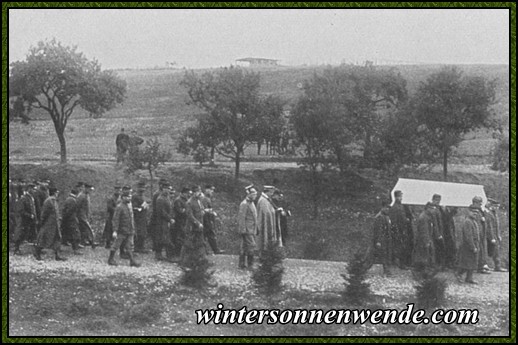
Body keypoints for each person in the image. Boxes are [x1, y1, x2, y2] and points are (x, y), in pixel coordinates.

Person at [108, 189, 141, 267]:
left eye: (130, 197)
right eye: (127, 197)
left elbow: (131, 219)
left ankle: (132, 261)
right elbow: (115, 219)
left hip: (129, 230)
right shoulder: (119, 207)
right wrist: (115, 231)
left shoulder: (128, 207)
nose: (129, 198)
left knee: (129, 246)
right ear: (123, 197)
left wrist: (133, 229)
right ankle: (110, 259)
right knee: (116, 245)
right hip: (121, 231)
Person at [33, 187, 67, 261]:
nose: (57, 194)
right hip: (48, 224)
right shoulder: (49, 201)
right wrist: (42, 222)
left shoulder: (53, 201)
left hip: (55, 224)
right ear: (54, 193)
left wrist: (58, 218)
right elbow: (44, 213)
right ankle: (37, 252)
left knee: (57, 238)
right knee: (44, 239)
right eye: (57, 193)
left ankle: (57, 255)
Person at [455, 196, 482, 284]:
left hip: (474, 244)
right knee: (466, 263)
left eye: (477, 212)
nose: (475, 214)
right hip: (467, 246)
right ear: (469, 212)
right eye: (473, 212)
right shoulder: (467, 221)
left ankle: (469, 278)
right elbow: (468, 236)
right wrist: (473, 246)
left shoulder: (473, 221)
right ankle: (458, 274)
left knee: (472, 262)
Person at [182, 185, 207, 264]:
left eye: (199, 191)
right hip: (192, 227)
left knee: (200, 242)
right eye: (197, 192)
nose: (199, 193)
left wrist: (203, 211)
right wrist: (197, 223)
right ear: (193, 193)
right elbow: (190, 215)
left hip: (199, 226)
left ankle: (201, 259)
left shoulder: (198, 200)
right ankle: (183, 260)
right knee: (188, 244)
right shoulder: (189, 202)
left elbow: (201, 208)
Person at [368, 197, 394, 276]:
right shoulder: (379, 217)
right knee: (372, 257)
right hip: (380, 240)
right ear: (382, 207)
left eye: (388, 208)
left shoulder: (386, 216)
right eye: (386, 207)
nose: (387, 209)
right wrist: (378, 241)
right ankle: (362, 268)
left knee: (384, 255)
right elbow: (378, 230)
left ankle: (387, 271)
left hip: (385, 240)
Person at [388, 190, 413, 269]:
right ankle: (400, 264)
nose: (401, 198)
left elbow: (402, 218)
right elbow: (394, 221)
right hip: (398, 231)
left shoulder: (401, 206)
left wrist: (406, 220)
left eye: (401, 196)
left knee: (403, 247)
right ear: (396, 197)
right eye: (400, 196)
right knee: (399, 247)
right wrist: (397, 231)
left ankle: (400, 263)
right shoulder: (395, 207)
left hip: (403, 230)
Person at [468, 197, 491, 275]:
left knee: (482, 250)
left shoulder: (480, 210)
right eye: (478, 202)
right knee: (478, 251)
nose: (480, 204)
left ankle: (481, 265)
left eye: (481, 202)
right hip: (477, 234)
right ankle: (478, 267)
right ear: (474, 202)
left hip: (481, 233)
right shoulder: (473, 210)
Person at [413, 202, 437, 277]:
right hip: (423, 240)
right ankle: (419, 274)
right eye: (432, 209)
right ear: (428, 208)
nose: (433, 211)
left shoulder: (427, 216)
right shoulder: (424, 217)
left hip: (425, 239)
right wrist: (427, 241)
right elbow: (424, 231)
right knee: (423, 257)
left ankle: (422, 273)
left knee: (424, 256)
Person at [13, 183, 37, 255]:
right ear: (29, 189)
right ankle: (16, 249)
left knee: (31, 233)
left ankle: (36, 250)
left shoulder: (31, 198)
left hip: (29, 220)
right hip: (23, 220)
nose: (34, 190)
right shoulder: (24, 198)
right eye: (32, 189)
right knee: (20, 234)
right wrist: (29, 215)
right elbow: (21, 211)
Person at [237, 185, 258, 269]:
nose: (255, 196)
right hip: (247, 229)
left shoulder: (251, 203)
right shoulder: (244, 204)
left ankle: (242, 264)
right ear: (249, 194)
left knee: (244, 247)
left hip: (252, 229)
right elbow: (241, 218)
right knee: (251, 245)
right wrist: (243, 230)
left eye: (256, 194)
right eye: (254, 194)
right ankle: (250, 265)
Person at [154, 183, 176, 261]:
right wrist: (169, 219)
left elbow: (170, 209)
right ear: (163, 189)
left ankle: (162, 254)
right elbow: (161, 212)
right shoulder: (160, 199)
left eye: (169, 189)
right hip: (161, 221)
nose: (168, 190)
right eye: (166, 189)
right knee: (163, 237)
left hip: (166, 221)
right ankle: (164, 255)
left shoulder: (167, 198)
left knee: (164, 237)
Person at [201, 185, 224, 255]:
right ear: (206, 190)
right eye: (211, 190)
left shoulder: (207, 198)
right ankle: (209, 250)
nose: (212, 192)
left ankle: (215, 250)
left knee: (209, 235)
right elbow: (204, 210)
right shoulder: (204, 198)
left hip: (209, 219)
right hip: (206, 220)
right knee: (206, 235)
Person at [485, 198, 506, 272]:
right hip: (491, 236)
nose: (497, 208)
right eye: (496, 206)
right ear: (492, 206)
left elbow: (497, 226)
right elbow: (489, 227)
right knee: (490, 251)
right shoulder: (489, 214)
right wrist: (492, 237)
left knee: (496, 251)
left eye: (498, 207)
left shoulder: (495, 214)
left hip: (495, 236)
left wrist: (498, 235)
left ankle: (497, 266)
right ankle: (487, 266)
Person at [256, 185, 278, 253]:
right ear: (267, 192)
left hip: (268, 224)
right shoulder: (263, 200)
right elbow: (265, 214)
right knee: (264, 239)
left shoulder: (267, 200)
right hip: (264, 225)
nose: (272, 194)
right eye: (271, 192)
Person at [61, 187, 82, 255]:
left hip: (67, 220)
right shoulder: (72, 200)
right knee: (75, 234)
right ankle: (76, 250)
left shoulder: (68, 199)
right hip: (71, 220)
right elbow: (69, 211)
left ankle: (58, 249)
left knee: (65, 234)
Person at [77, 183, 97, 249]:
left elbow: (87, 207)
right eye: (89, 189)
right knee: (88, 228)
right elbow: (78, 206)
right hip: (81, 215)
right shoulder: (81, 196)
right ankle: (92, 241)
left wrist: (89, 215)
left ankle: (83, 241)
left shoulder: (87, 195)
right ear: (86, 188)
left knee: (84, 229)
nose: (90, 191)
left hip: (85, 214)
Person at [172, 187, 190, 257]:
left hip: (185, 221)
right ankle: (177, 253)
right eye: (186, 193)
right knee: (179, 237)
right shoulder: (178, 200)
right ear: (183, 193)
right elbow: (180, 211)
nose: (188, 195)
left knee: (184, 236)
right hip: (179, 221)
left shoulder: (186, 200)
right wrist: (187, 210)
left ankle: (182, 252)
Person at [429, 194, 445, 270]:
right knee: (435, 249)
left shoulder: (438, 209)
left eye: (439, 200)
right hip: (434, 233)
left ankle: (438, 265)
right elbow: (435, 223)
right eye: (436, 200)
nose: (438, 202)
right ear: (433, 200)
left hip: (439, 232)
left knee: (438, 249)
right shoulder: (433, 210)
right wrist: (438, 234)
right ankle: (434, 265)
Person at [132, 181, 150, 254]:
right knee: (138, 232)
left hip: (143, 217)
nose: (142, 189)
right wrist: (141, 207)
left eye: (143, 188)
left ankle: (141, 247)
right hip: (137, 217)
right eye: (141, 188)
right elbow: (134, 207)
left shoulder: (142, 196)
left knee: (143, 232)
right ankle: (137, 247)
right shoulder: (135, 196)